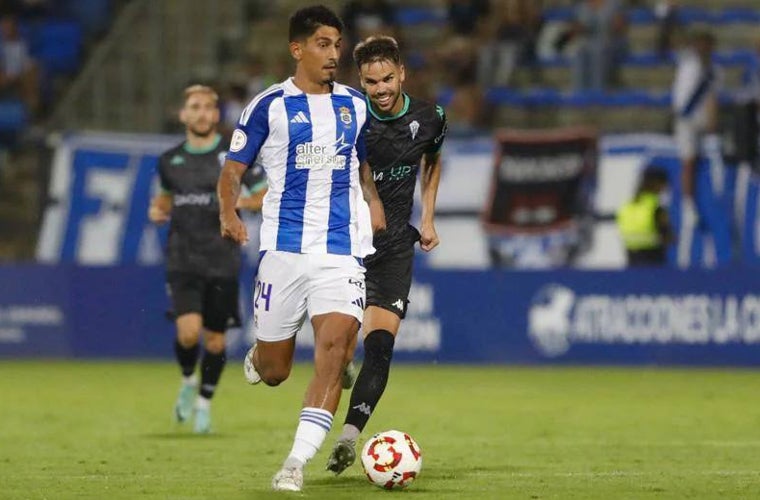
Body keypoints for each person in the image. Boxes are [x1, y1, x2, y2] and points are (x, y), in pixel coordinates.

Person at [216, 5, 385, 492]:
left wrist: (373, 204)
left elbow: (362, 165)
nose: (334, 54)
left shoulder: (355, 105)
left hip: (340, 251)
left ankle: (294, 462)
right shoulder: (268, 106)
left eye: (337, 45)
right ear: (297, 49)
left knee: (334, 352)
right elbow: (232, 172)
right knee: (275, 371)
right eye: (323, 45)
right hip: (283, 252)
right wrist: (228, 212)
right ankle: (260, 356)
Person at [325, 35, 448, 475]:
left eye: (387, 78)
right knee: (337, 348)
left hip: (394, 245)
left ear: (402, 75)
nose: (379, 88)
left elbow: (432, 160)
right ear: (361, 80)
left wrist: (428, 217)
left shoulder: (430, 117)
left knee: (380, 347)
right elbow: (350, 170)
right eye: (371, 81)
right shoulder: (350, 118)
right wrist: (370, 197)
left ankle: (348, 438)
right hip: (345, 244)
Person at [148, 84, 264, 434]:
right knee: (188, 334)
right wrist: (158, 209)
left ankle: (203, 405)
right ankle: (187, 380)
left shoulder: (233, 158)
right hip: (182, 257)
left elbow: (263, 194)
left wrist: (232, 206)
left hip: (222, 258)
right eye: (194, 107)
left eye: (208, 108)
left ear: (216, 115)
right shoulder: (169, 160)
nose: (201, 113)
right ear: (184, 114)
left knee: (215, 341)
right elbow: (166, 199)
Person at [672, 28, 718, 268]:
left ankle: (701, 199)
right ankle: (689, 203)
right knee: (688, 160)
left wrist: (710, 121)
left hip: (699, 123)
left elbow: (711, 97)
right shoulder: (690, 66)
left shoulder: (709, 70)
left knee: (698, 161)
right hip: (688, 122)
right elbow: (682, 99)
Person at [616, 166, 673, 266]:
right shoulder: (656, 208)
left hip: (631, 261)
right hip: (653, 261)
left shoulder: (626, 207)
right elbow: (668, 237)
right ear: (658, 184)